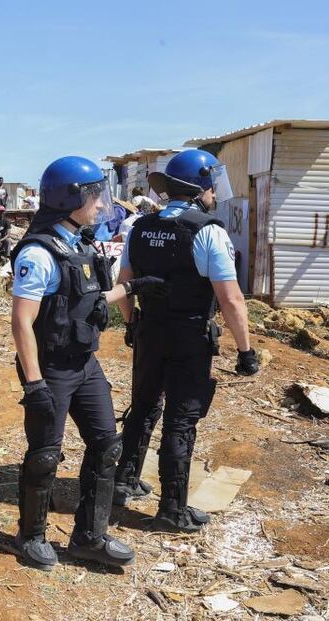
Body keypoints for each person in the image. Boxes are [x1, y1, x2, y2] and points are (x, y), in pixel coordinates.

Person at [10, 155, 170, 571]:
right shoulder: (40, 252)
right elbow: (22, 323)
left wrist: (133, 288)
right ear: (69, 199)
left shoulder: (78, 244)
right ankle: (31, 536)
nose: (101, 205)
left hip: (85, 364)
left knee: (107, 446)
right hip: (52, 369)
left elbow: (87, 303)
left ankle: (89, 537)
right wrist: (34, 384)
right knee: (45, 454)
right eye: (94, 197)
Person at [114, 149, 259, 532]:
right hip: (189, 336)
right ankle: (172, 509)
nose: (214, 194)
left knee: (143, 405)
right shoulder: (208, 230)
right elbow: (230, 299)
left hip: (149, 330)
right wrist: (246, 351)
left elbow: (123, 283)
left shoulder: (140, 227)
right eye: (212, 187)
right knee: (181, 419)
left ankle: (123, 481)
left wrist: (132, 324)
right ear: (200, 188)